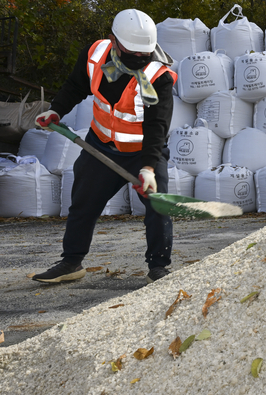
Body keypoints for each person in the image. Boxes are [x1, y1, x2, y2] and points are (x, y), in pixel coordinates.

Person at [32, 9, 177, 285]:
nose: (139, 59)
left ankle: (159, 267)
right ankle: (71, 261)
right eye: (132, 53)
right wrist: (56, 111)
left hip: (143, 152)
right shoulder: (95, 55)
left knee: (158, 207)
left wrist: (148, 167)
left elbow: (157, 125)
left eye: (144, 55)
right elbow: (76, 85)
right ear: (114, 42)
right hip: (100, 146)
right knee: (83, 203)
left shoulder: (159, 77)